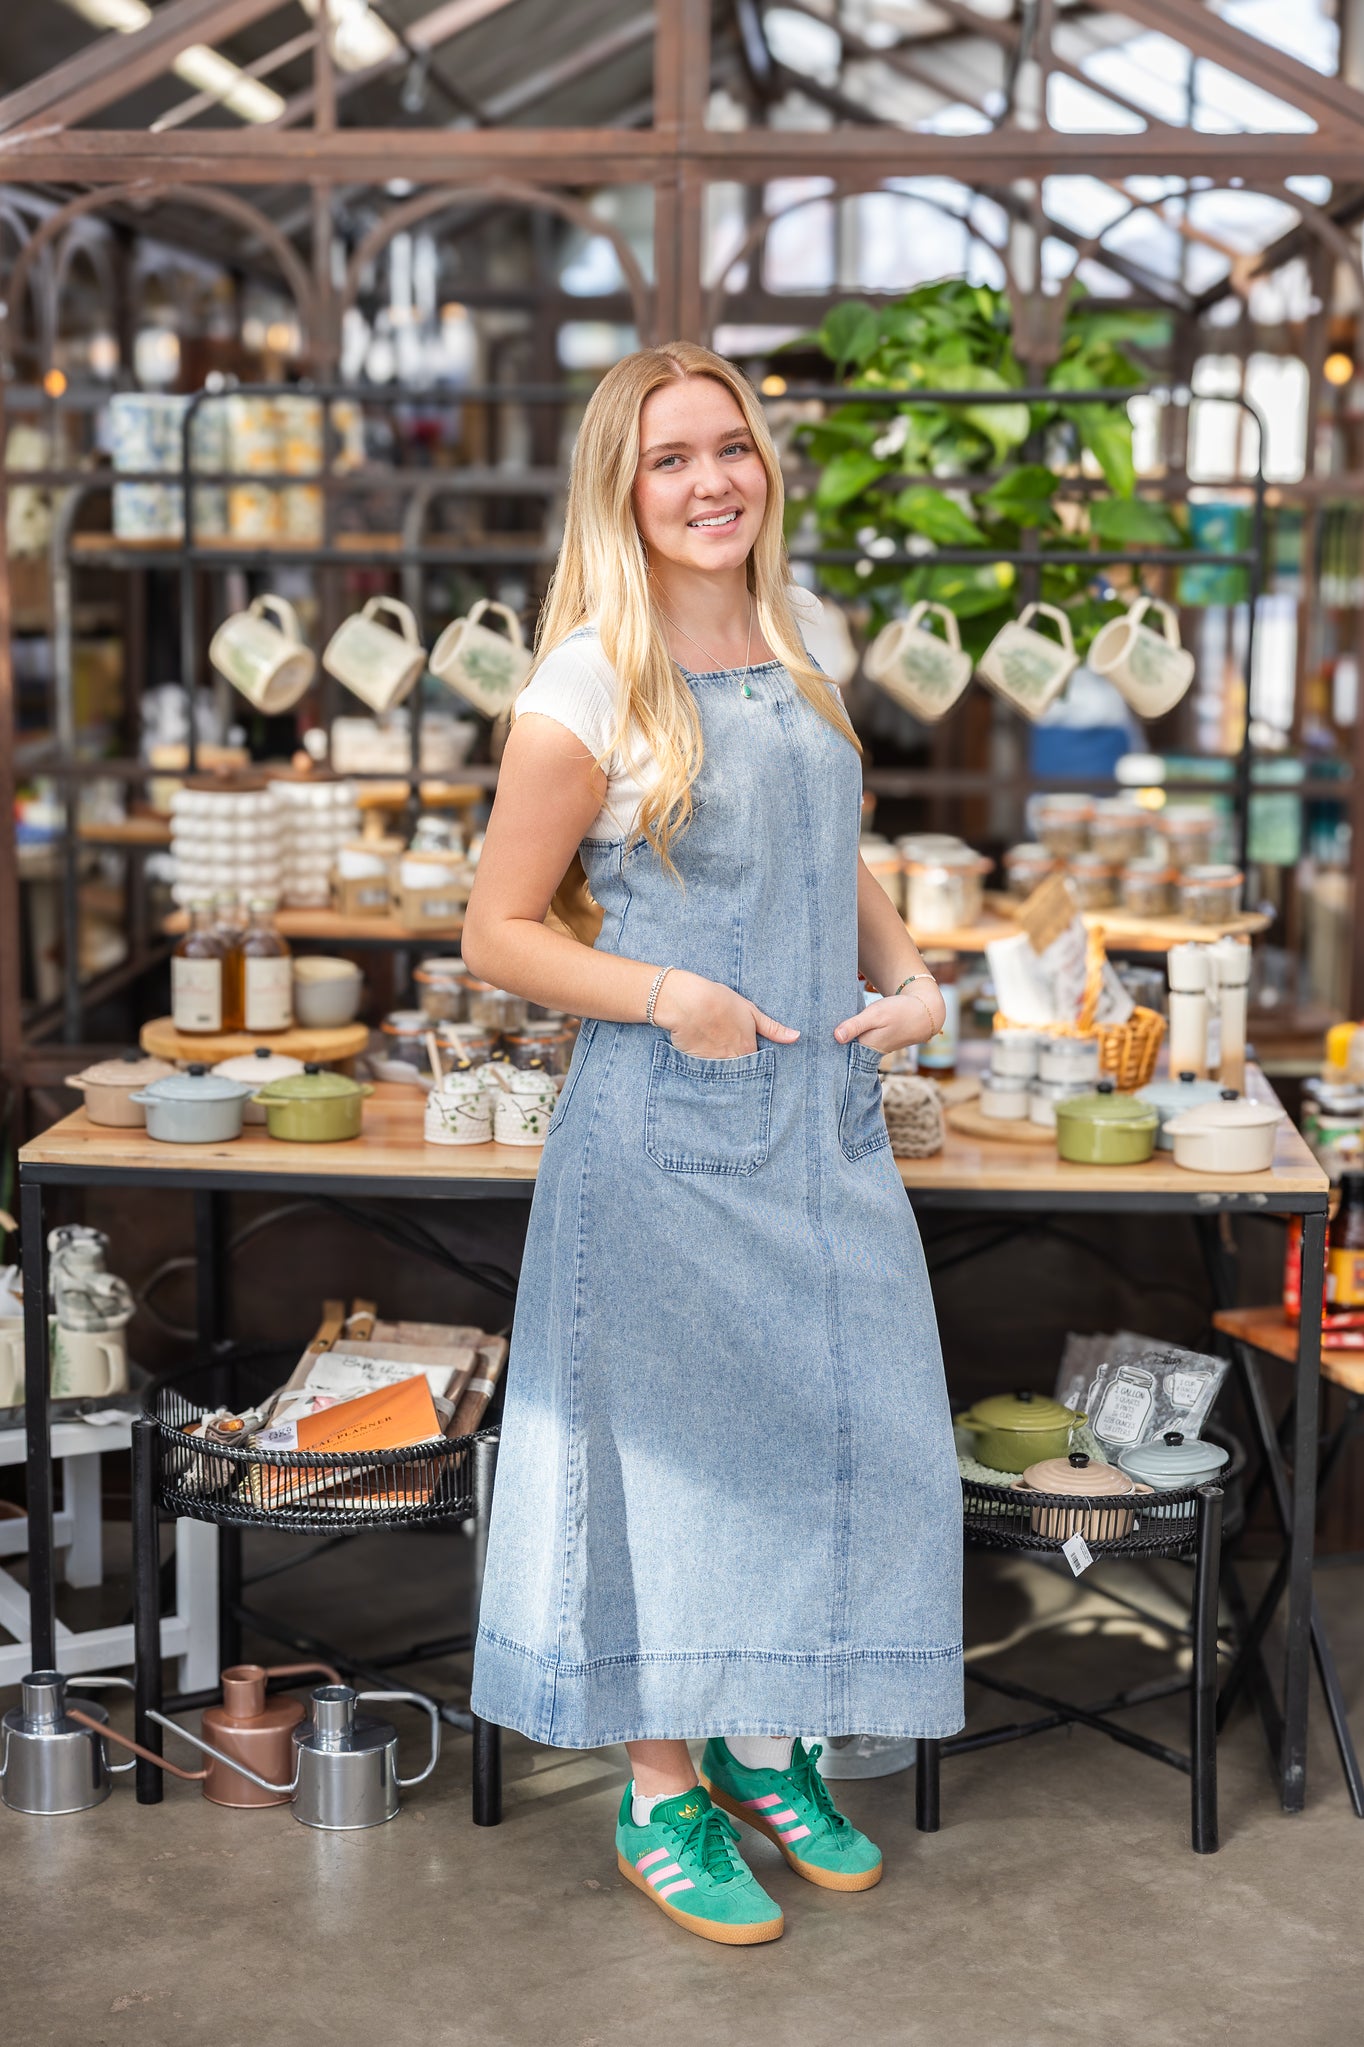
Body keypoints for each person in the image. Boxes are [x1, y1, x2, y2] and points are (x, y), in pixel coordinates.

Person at [463, 341, 962, 1948]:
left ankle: (766, 1743)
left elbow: (836, 842)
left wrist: (909, 975)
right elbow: (496, 930)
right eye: (670, 458)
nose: (709, 483)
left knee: (838, 1443)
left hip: (817, 1122)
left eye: (729, 448)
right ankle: (660, 1787)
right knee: (665, 1477)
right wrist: (670, 992)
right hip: (663, 1137)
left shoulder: (800, 629)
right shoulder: (586, 682)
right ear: (624, 487)